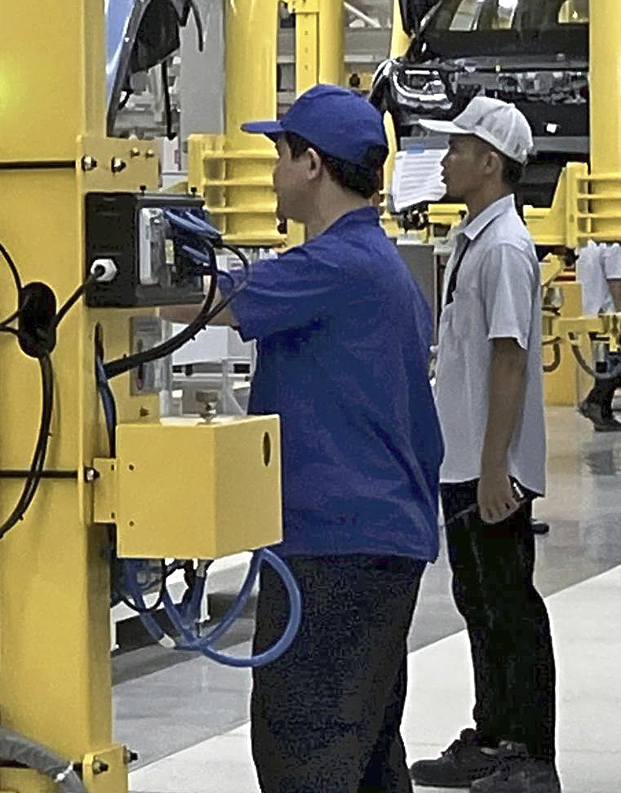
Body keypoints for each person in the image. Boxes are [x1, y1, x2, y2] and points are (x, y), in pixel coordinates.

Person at [224, 83, 444, 793]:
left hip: (336, 549)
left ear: (312, 163)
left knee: (306, 754)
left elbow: (214, 300)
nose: (272, 171)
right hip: (373, 542)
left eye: (279, 153)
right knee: (368, 758)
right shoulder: (375, 265)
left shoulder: (336, 266)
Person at [409, 96, 558, 793]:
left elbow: (510, 358)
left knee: (509, 606)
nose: (445, 159)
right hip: (465, 459)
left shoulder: (503, 248)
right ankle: (494, 733)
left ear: (490, 163)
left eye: (457, 148)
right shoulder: (475, 238)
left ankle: (531, 755)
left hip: (488, 467)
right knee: (480, 603)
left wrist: (498, 465)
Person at [572, 241, 621, 433]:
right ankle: (595, 403)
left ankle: (602, 411)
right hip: (607, 315)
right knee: (620, 362)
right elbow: (615, 279)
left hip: (588, 311)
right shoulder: (615, 244)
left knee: (604, 364)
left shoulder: (586, 242)